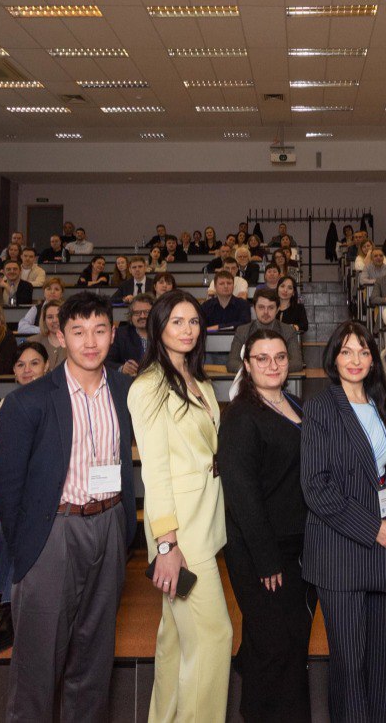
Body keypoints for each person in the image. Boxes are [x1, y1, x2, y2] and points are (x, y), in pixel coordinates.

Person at [0, 293, 139, 722]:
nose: (90, 342)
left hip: (110, 524)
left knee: (94, 659)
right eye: (78, 332)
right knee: (38, 664)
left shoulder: (127, 391)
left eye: (99, 330)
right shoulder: (29, 400)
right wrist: (30, 545)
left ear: (113, 334)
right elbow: (5, 484)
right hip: (53, 531)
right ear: (60, 337)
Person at [129, 290, 232, 723]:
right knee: (213, 637)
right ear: (158, 328)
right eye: (177, 321)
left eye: (193, 322)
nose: (187, 330)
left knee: (174, 640)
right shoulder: (148, 386)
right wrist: (166, 546)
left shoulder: (201, 381)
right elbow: (154, 472)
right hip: (180, 533)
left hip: (205, 521)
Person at [301, 321, 386, 723]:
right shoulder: (320, 408)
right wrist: (373, 527)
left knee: (379, 661)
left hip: (380, 552)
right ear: (334, 358)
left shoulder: (380, 402)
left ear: (373, 359)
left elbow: (385, 471)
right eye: (346, 351)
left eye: (363, 351)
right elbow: (316, 487)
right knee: (349, 663)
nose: (355, 359)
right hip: (340, 552)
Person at [216, 329, 315, 722]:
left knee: (292, 644)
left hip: (299, 547)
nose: (272, 365)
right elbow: (242, 495)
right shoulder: (240, 416)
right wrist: (266, 559)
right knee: (272, 646)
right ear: (247, 364)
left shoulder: (296, 404)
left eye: (279, 357)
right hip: (261, 552)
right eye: (262, 358)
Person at [0, 341, 49, 655]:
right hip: (20, 492)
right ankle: (9, 596)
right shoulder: (8, 403)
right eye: (21, 365)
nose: (27, 370)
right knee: (0, 525)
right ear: (14, 372)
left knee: (14, 524)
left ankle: (9, 603)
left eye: (34, 363)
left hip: (53, 492)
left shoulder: (60, 398)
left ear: (47, 367)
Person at [226, 289, 305, 374]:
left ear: (277, 309)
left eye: (271, 308)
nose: (266, 312)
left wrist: (271, 369)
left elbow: (297, 363)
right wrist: (256, 370)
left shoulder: (288, 331)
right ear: (254, 308)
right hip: (251, 379)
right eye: (261, 307)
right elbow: (232, 363)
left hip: (278, 379)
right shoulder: (242, 331)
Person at [110, 294, 153, 376]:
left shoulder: (163, 334)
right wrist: (122, 368)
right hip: (130, 381)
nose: (142, 316)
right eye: (137, 313)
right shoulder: (120, 334)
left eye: (147, 312)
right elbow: (108, 362)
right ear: (131, 316)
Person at [27, 300, 66, 368]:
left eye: (59, 316)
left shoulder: (75, 342)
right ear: (44, 321)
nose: (55, 320)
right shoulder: (32, 342)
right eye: (50, 317)